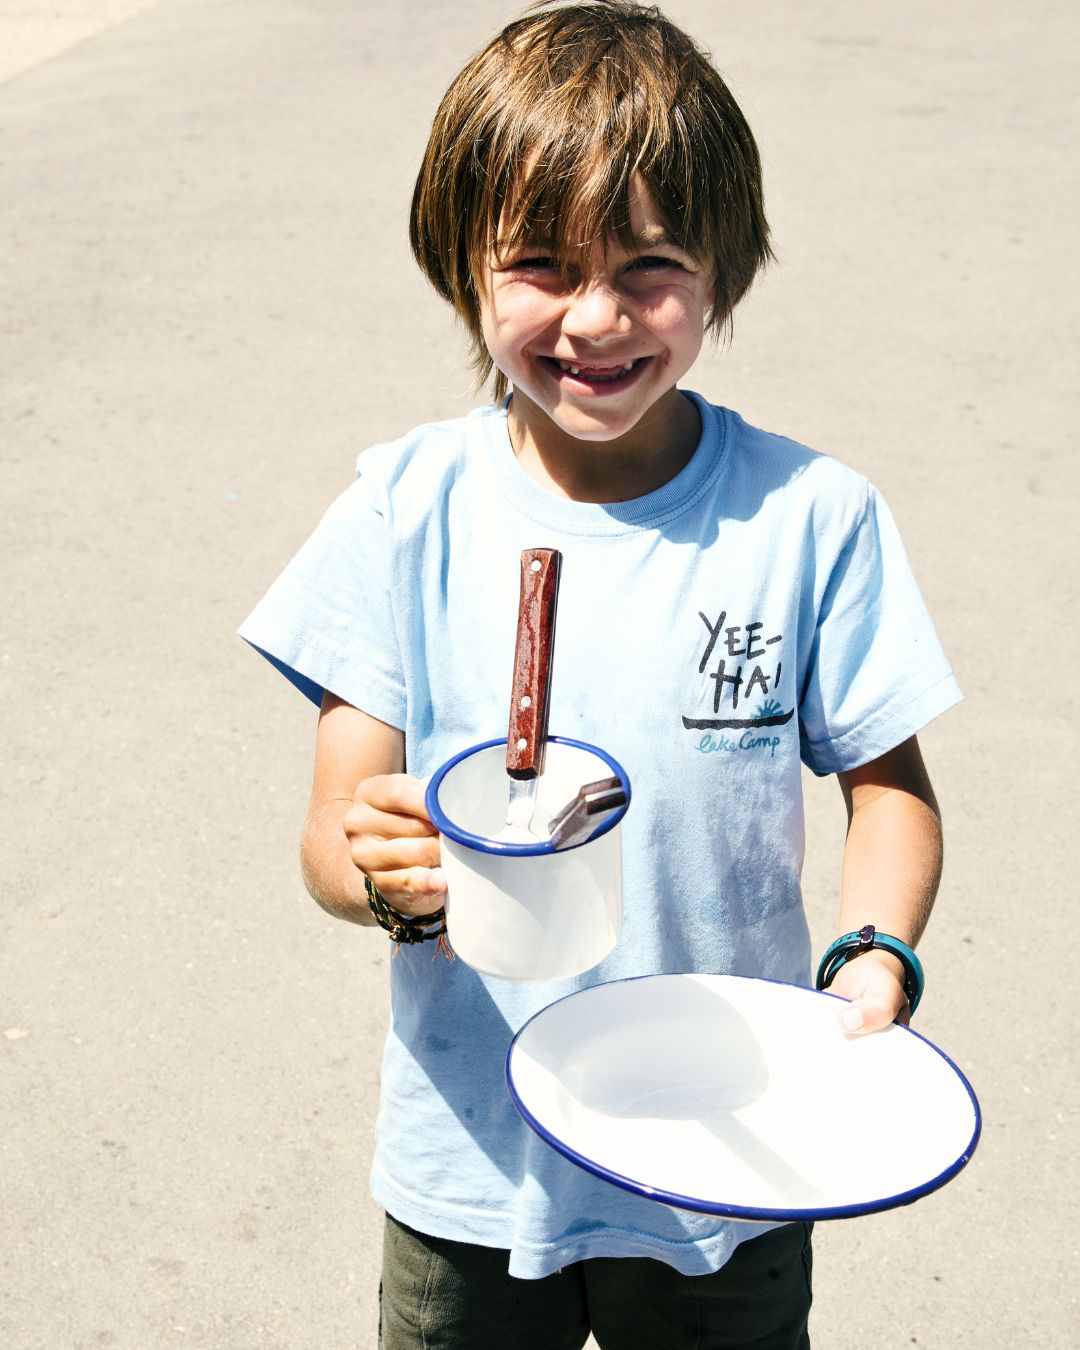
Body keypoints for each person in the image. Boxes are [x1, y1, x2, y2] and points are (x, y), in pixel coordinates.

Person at [239, 3, 961, 1345]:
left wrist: (874, 955)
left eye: (651, 266)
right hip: (473, 1156)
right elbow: (336, 827)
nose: (595, 316)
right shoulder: (404, 509)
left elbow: (891, 792)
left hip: (730, 1150)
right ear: (460, 262)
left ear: (725, 270)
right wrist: (382, 873)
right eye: (540, 264)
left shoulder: (808, 517)